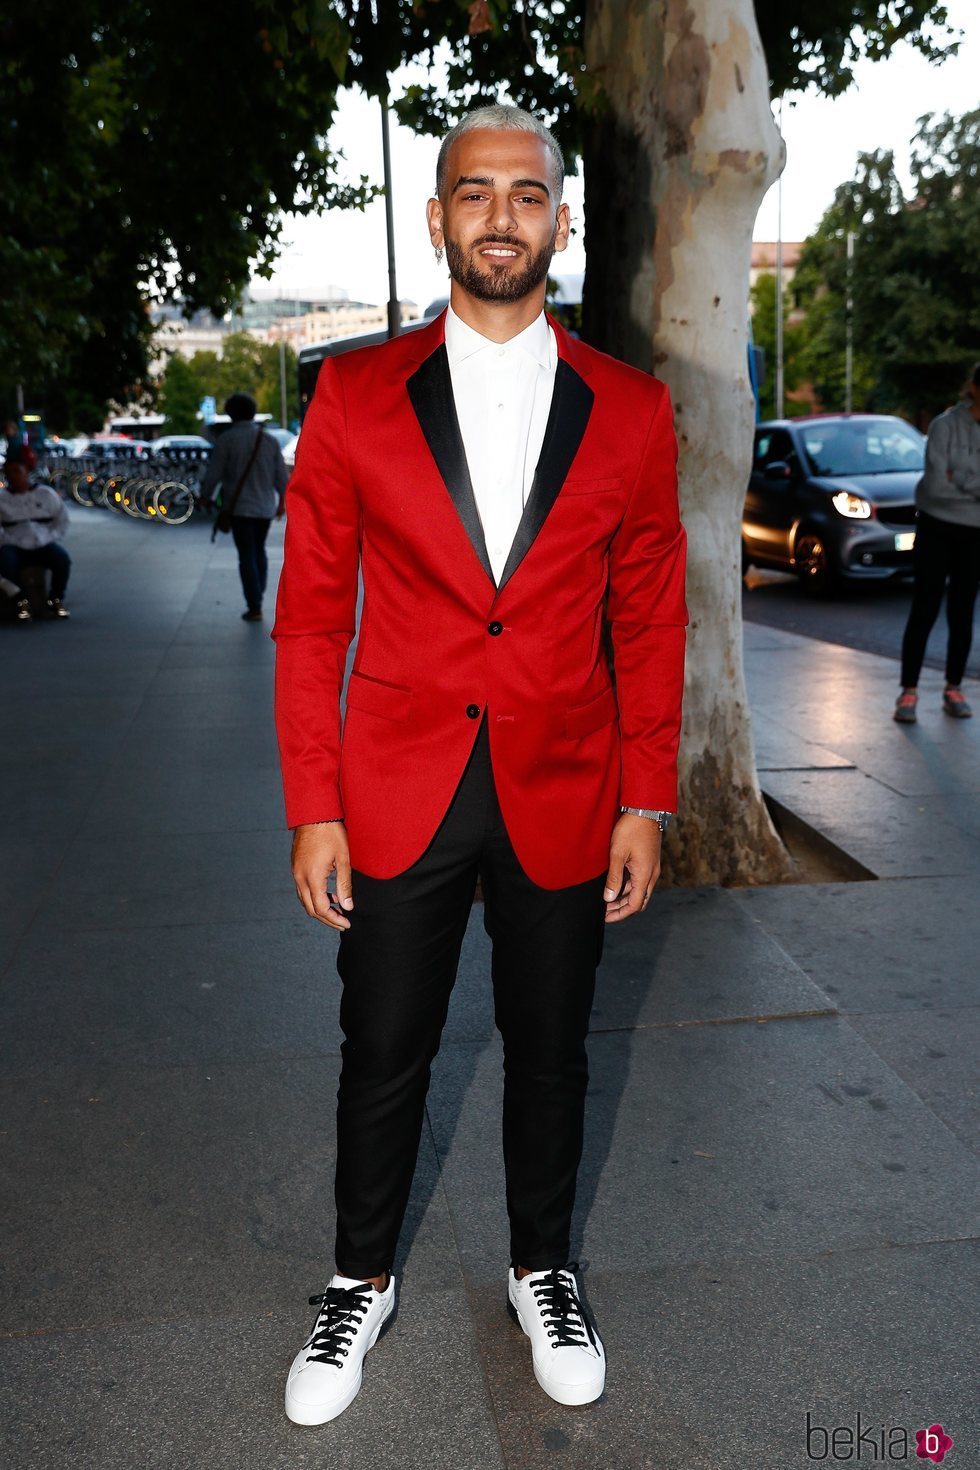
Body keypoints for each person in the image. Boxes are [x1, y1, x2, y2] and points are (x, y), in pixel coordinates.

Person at [272, 104, 687, 1426]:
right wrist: (313, 801)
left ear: (558, 220)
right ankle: (358, 1276)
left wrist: (646, 792)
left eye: (526, 192)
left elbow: (652, 611)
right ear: (437, 217)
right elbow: (312, 613)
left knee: (553, 1047)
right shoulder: (350, 395)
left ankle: (542, 1264)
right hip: (397, 782)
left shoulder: (631, 409)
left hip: (566, 781)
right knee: (381, 1042)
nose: (500, 213)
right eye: (473, 191)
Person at [895, 363, 980, 722]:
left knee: (963, 613)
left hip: (974, 533)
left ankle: (953, 687)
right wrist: (971, 485)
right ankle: (908, 692)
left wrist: (958, 476)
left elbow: (950, 481)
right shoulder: (943, 426)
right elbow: (935, 487)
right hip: (936, 527)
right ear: (975, 388)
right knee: (924, 608)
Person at [201, 393, 288, 621]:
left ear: (231, 413)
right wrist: (282, 503)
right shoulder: (268, 440)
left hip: (239, 508)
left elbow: (214, 474)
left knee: (247, 554)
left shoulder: (227, 440)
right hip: (265, 508)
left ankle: (255, 603)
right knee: (259, 549)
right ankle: (258, 593)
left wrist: (205, 496)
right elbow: (281, 476)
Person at [0, 444, 71, 620]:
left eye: (17, 471)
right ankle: (20, 600)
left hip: (43, 543)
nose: (13, 477)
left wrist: (50, 536)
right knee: (5, 562)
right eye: (9, 473)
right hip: (14, 544)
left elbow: (62, 520)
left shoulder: (46, 494)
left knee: (62, 560)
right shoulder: (2, 498)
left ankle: (55, 598)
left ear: (26, 472)